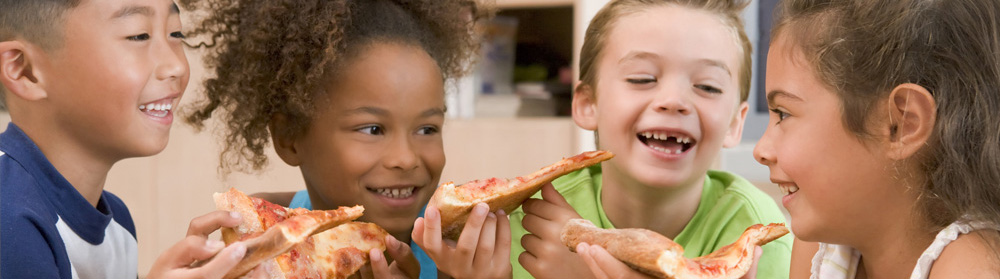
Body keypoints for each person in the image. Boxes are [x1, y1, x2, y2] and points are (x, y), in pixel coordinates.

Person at [179, 0, 487, 277]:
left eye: (427, 129)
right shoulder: (264, 237)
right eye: (373, 129)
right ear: (290, 138)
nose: (406, 158)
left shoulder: (469, 252)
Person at [0, 0, 256, 278]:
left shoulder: (118, 223)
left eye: (175, 34)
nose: (176, 67)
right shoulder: (8, 217)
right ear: (24, 71)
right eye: (138, 36)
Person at [752, 0, 1000, 278]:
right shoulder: (818, 251)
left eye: (784, 115)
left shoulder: (973, 267)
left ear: (901, 125)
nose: (761, 150)